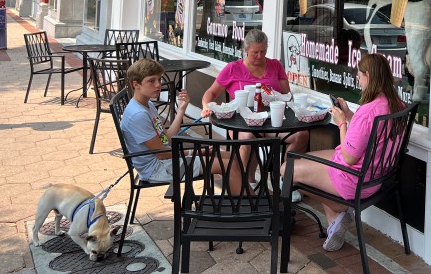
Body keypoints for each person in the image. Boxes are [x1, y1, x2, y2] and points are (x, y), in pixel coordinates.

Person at [282, 53, 405, 252]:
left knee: (287, 169)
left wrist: (341, 122)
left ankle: (340, 208)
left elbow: (349, 157)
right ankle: (334, 224)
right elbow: (368, 132)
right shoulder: (396, 104)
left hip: (354, 180)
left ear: (369, 76)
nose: (358, 79)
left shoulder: (369, 110)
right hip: (376, 176)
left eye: (360, 76)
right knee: (307, 160)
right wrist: (348, 115)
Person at [200, 29, 308, 198]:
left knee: (301, 134)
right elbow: (210, 93)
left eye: (263, 52)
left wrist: (275, 97)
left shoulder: (275, 65)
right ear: (245, 50)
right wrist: (207, 106)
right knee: (249, 137)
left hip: (272, 120)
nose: (259, 56)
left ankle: (286, 179)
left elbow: (288, 97)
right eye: (254, 53)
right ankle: (245, 182)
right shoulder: (233, 68)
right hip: (242, 122)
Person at [121, 58, 240, 191]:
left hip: (166, 160)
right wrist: (196, 152)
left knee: (230, 157)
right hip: (158, 169)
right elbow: (162, 153)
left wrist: (182, 109)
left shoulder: (147, 105)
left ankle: (241, 202)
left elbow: (167, 139)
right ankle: (244, 206)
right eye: (151, 81)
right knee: (228, 165)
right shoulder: (138, 115)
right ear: (136, 84)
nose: (158, 85)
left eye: (159, 80)